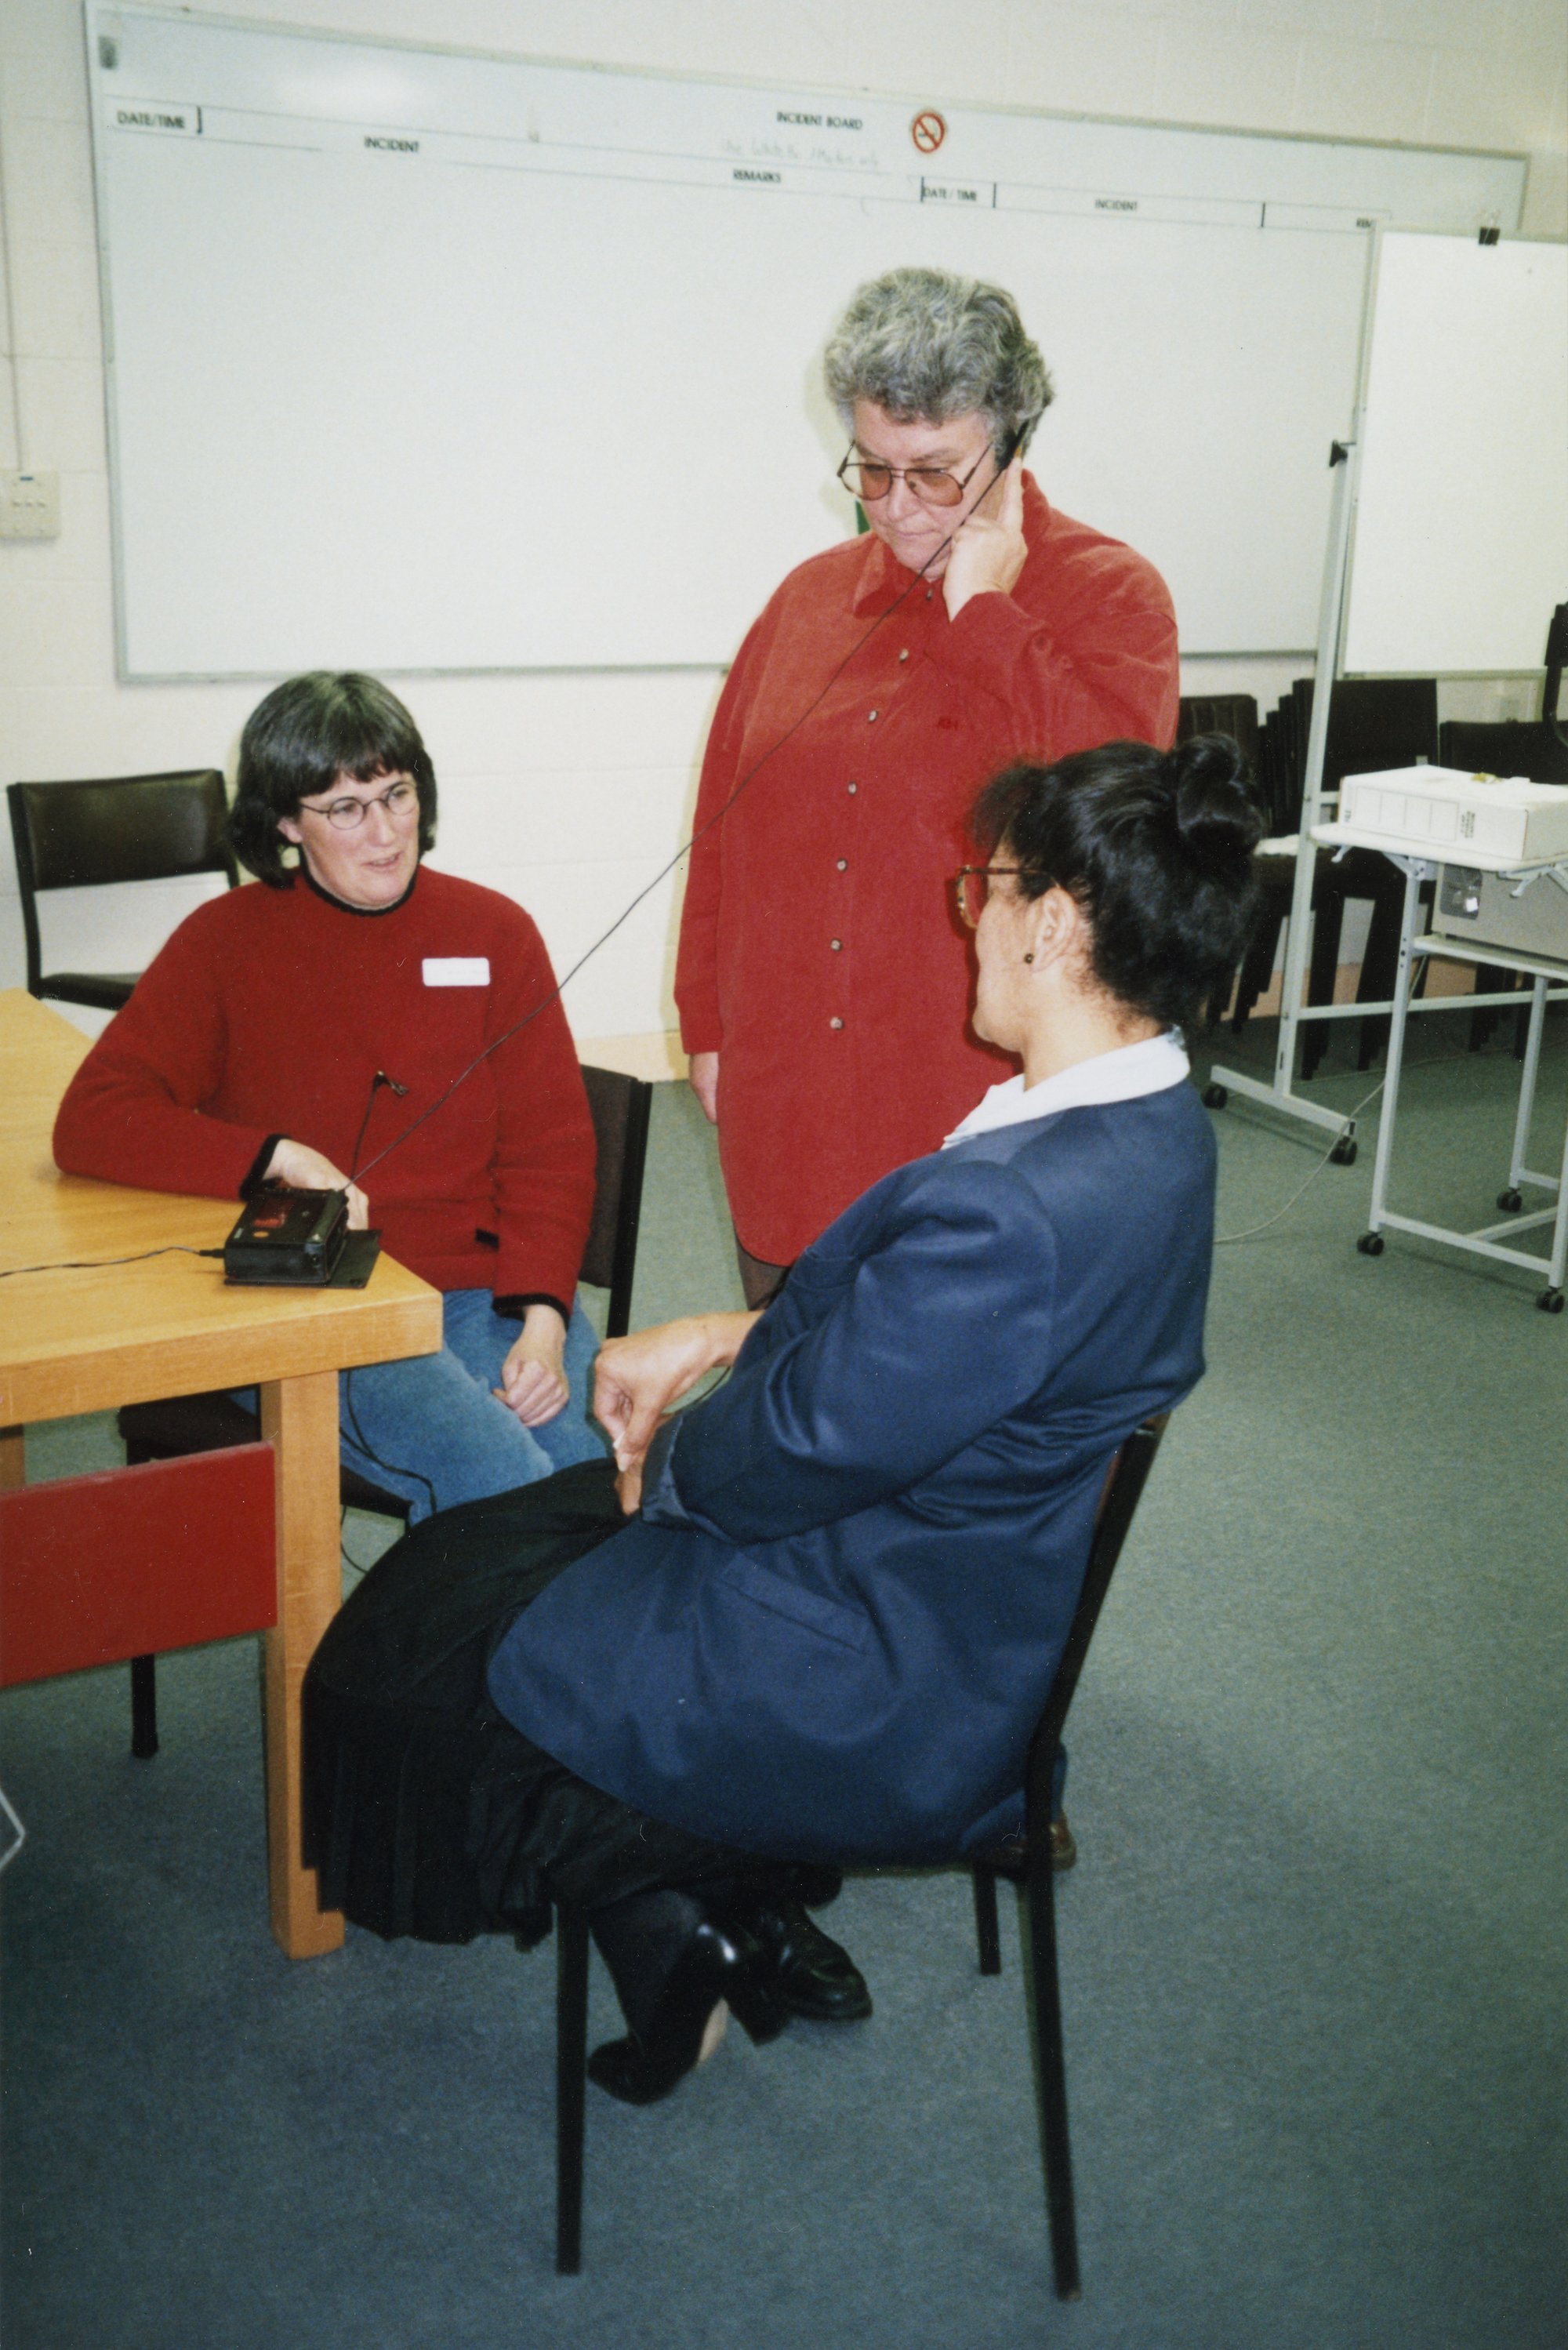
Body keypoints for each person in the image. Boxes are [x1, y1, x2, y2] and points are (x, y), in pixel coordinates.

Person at [303, 734, 1261, 2108]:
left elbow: (792, 1451)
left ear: (1052, 923)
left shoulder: (1019, 1206)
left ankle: (686, 1905)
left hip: (878, 1646)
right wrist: (717, 1333)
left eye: (982, 888)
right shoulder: (1156, 1130)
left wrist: (660, 1450)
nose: (971, 915)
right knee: (497, 1567)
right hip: (956, 1586)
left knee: (414, 1642)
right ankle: (713, 1895)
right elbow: (950, 1355)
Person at [675, 263, 1181, 1305]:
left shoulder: (1110, 595)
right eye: (872, 468)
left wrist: (986, 614)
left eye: (936, 471)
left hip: (980, 1105)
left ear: (1014, 441)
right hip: (787, 1102)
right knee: (785, 1392)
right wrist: (707, 1026)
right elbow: (723, 831)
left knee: (939, 1418)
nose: (898, 507)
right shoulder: (804, 603)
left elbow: (1115, 818)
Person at [53, 671, 605, 1518]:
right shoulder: (225, 942)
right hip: (319, 1302)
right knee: (503, 1488)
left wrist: (543, 1316)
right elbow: (93, 1119)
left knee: (594, 1481)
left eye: (397, 794)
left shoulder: (496, 933)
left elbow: (549, 1149)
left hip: (482, 1292)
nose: (385, 833)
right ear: (283, 822)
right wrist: (271, 1157)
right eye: (345, 809)